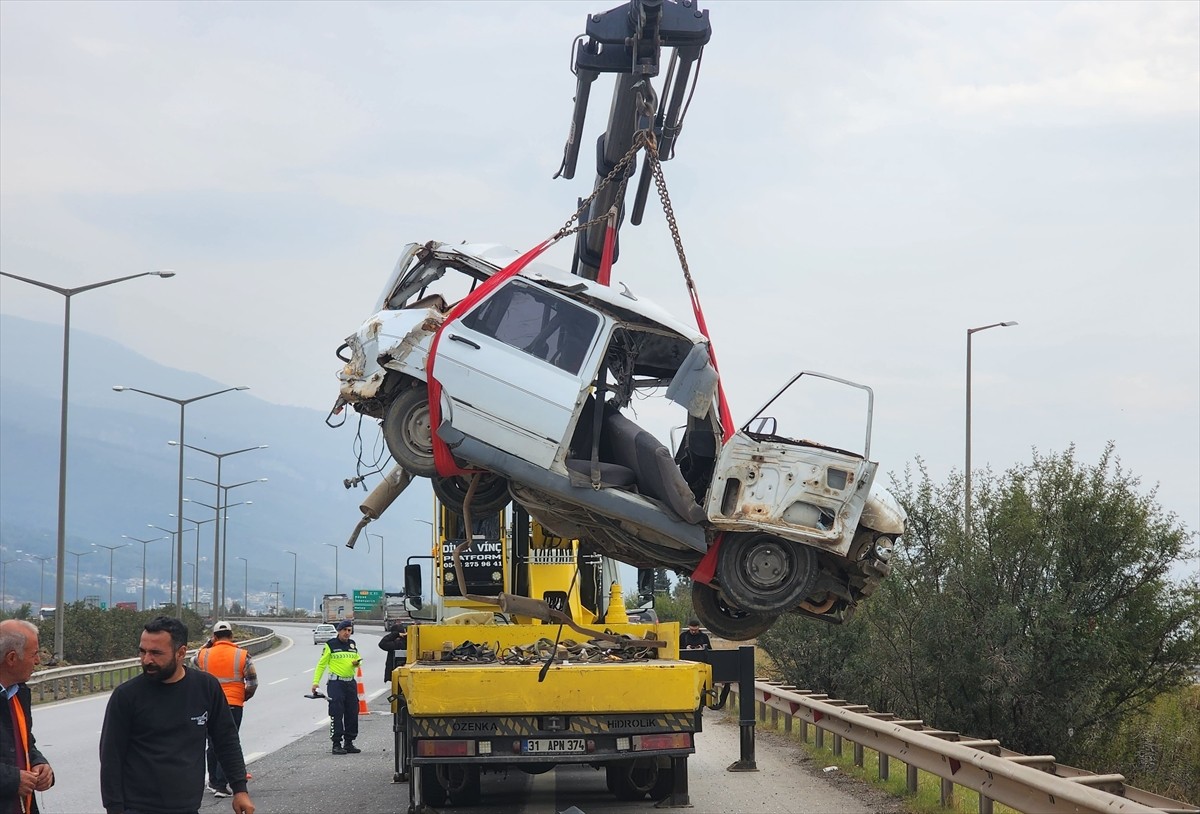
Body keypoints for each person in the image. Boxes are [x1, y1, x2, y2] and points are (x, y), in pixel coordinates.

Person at [99, 616, 254, 814]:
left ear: (180, 653)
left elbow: (226, 741)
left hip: (188, 808)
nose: (147, 660)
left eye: (156, 653)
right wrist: (114, 809)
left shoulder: (206, 687)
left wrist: (240, 789)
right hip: (138, 808)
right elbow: (111, 758)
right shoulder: (126, 696)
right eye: (143, 651)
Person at [194, 622, 258, 798]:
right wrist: (243, 696)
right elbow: (252, 682)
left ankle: (214, 781)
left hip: (209, 704)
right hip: (233, 703)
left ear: (214, 637)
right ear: (231, 636)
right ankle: (222, 785)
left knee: (212, 743)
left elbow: (193, 658)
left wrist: (208, 643)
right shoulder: (242, 655)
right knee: (228, 742)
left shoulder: (204, 654)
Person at [0, 619, 54, 814]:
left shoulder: (18, 693)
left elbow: (24, 743)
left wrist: (39, 763)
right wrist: (12, 780)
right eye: (34, 654)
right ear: (12, 658)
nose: (38, 661)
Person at [311, 620, 362, 755]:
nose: (347, 633)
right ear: (339, 631)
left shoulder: (352, 644)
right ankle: (336, 743)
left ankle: (349, 742)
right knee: (337, 712)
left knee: (352, 712)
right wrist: (315, 682)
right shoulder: (330, 645)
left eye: (349, 630)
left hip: (350, 683)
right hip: (336, 683)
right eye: (344, 630)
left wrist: (356, 663)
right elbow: (321, 664)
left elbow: (357, 661)